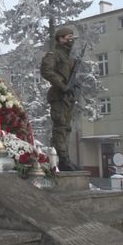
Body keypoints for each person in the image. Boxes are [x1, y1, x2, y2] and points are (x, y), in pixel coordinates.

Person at [40, 26, 82, 171]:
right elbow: (46, 71)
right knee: (60, 128)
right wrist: (63, 86)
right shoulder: (54, 55)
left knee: (66, 128)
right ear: (60, 39)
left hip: (68, 98)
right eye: (68, 37)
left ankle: (65, 159)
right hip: (58, 97)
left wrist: (73, 87)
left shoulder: (69, 58)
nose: (71, 39)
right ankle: (62, 160)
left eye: (72, 36)